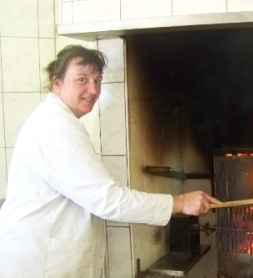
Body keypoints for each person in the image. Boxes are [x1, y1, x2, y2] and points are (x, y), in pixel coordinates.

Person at [0, 45, 220, 277]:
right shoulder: (57, 128)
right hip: (40, 264)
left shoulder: (58, 121)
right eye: (82, 79)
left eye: (97, 80)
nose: (93, 89)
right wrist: (180, 202)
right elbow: (106, 199)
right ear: (57, 83)